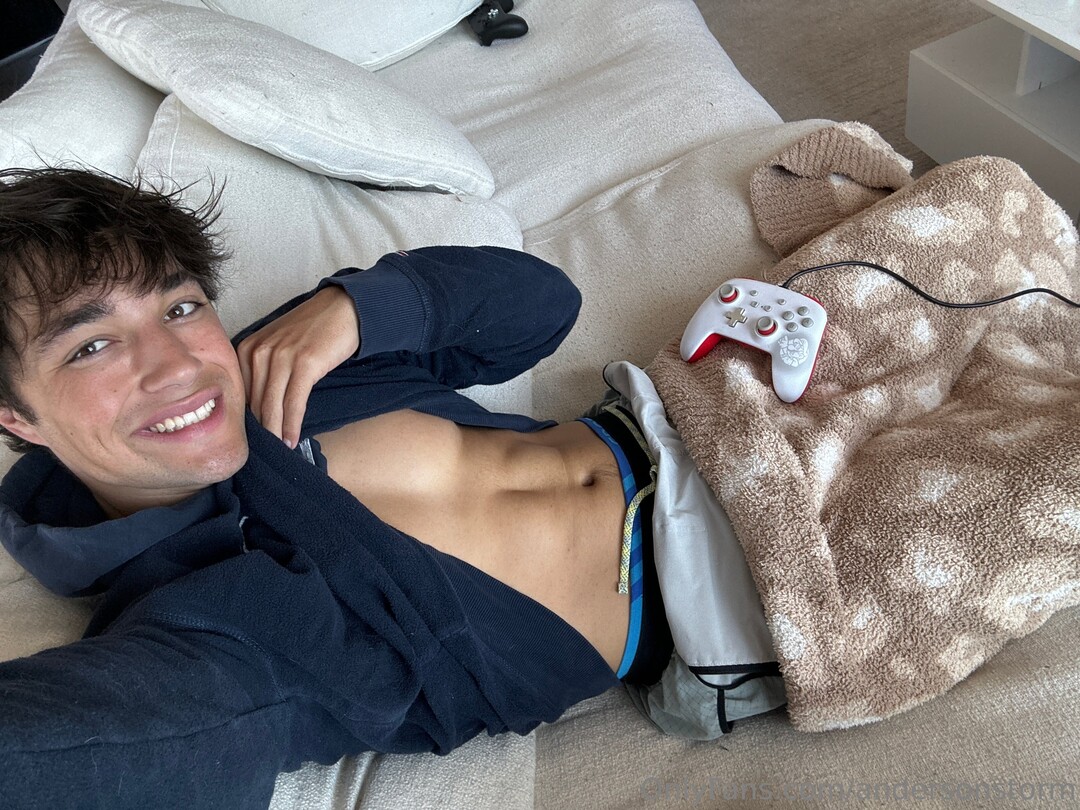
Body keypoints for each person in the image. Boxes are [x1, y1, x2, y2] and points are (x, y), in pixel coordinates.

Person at [0, 167, 777, 807]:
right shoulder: (199, 624)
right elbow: (111, 738)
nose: (177, 364)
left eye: (180, 306)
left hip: (695, 415)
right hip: (745, 576)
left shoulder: (278, 365)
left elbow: (545, 307)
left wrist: (360, 307)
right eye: (91, 346)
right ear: (15, 417)